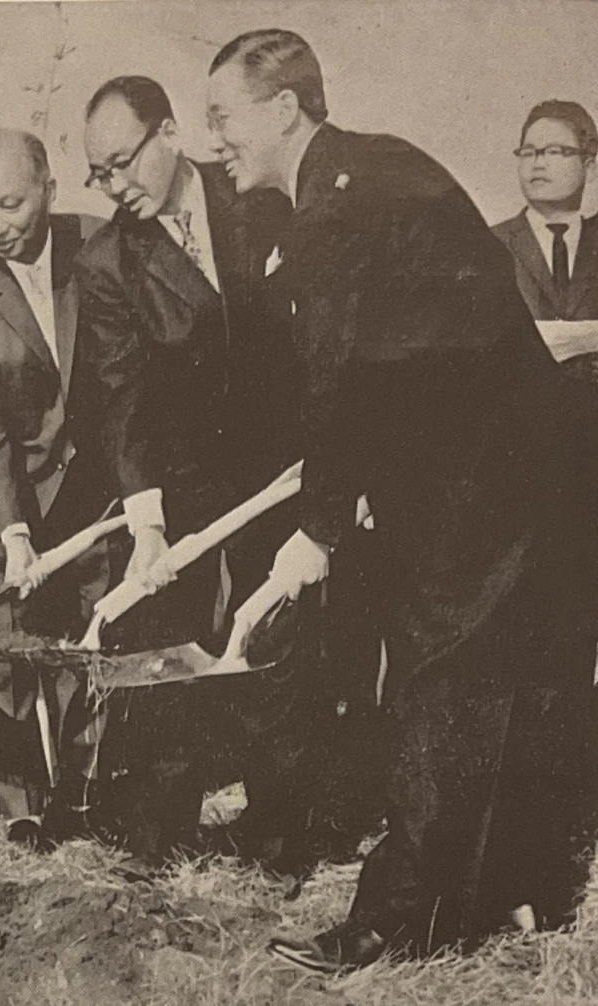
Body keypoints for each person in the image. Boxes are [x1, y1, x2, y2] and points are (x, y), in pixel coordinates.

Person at [205, 28, 598, 971]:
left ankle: (398, 922)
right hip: (517, 469)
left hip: (483, 487)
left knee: (437, 685)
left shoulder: (343, 206)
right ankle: (522, 892)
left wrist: (318, 530)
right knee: (511, 685)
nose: (215, 140)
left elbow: (345, 376)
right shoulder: (371, 174)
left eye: (223, 117)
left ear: (284, 107)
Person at [76, 76, 348, 870]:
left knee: (276, 643)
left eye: (123, 162)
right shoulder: (108, 261)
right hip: (181, 478)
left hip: (279, 469)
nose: (113, 186)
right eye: (98, 173)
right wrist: (146, 521)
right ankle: (157, 840)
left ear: (170, 133)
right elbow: (122, 396)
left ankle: (280, 840)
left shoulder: (260, 199)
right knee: (164, 646)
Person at [0, 129, 109, 850]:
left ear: (49, 191)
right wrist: (12, 531)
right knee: (4, 653)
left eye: (12, 203)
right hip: (2, 494)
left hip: (93, 491)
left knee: (87, 639)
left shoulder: (100, 247)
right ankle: (22, 806)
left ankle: (81, 790)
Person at [492, 101, 597, 321]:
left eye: (554, 152)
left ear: (588, 166)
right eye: (528, 152)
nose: (538, 163)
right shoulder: (490, 242)